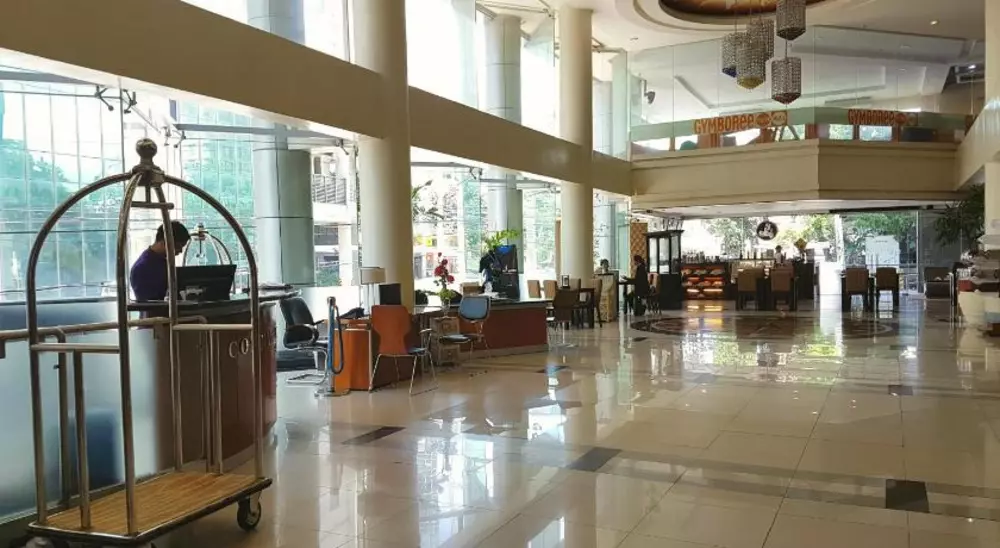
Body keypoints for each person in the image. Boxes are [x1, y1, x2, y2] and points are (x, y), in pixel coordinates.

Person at [130, 221, 191, 301]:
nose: (180, 251)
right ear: (164, 242)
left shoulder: (160, 261)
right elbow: (150, 304)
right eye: (177, 246)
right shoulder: (143, 268)